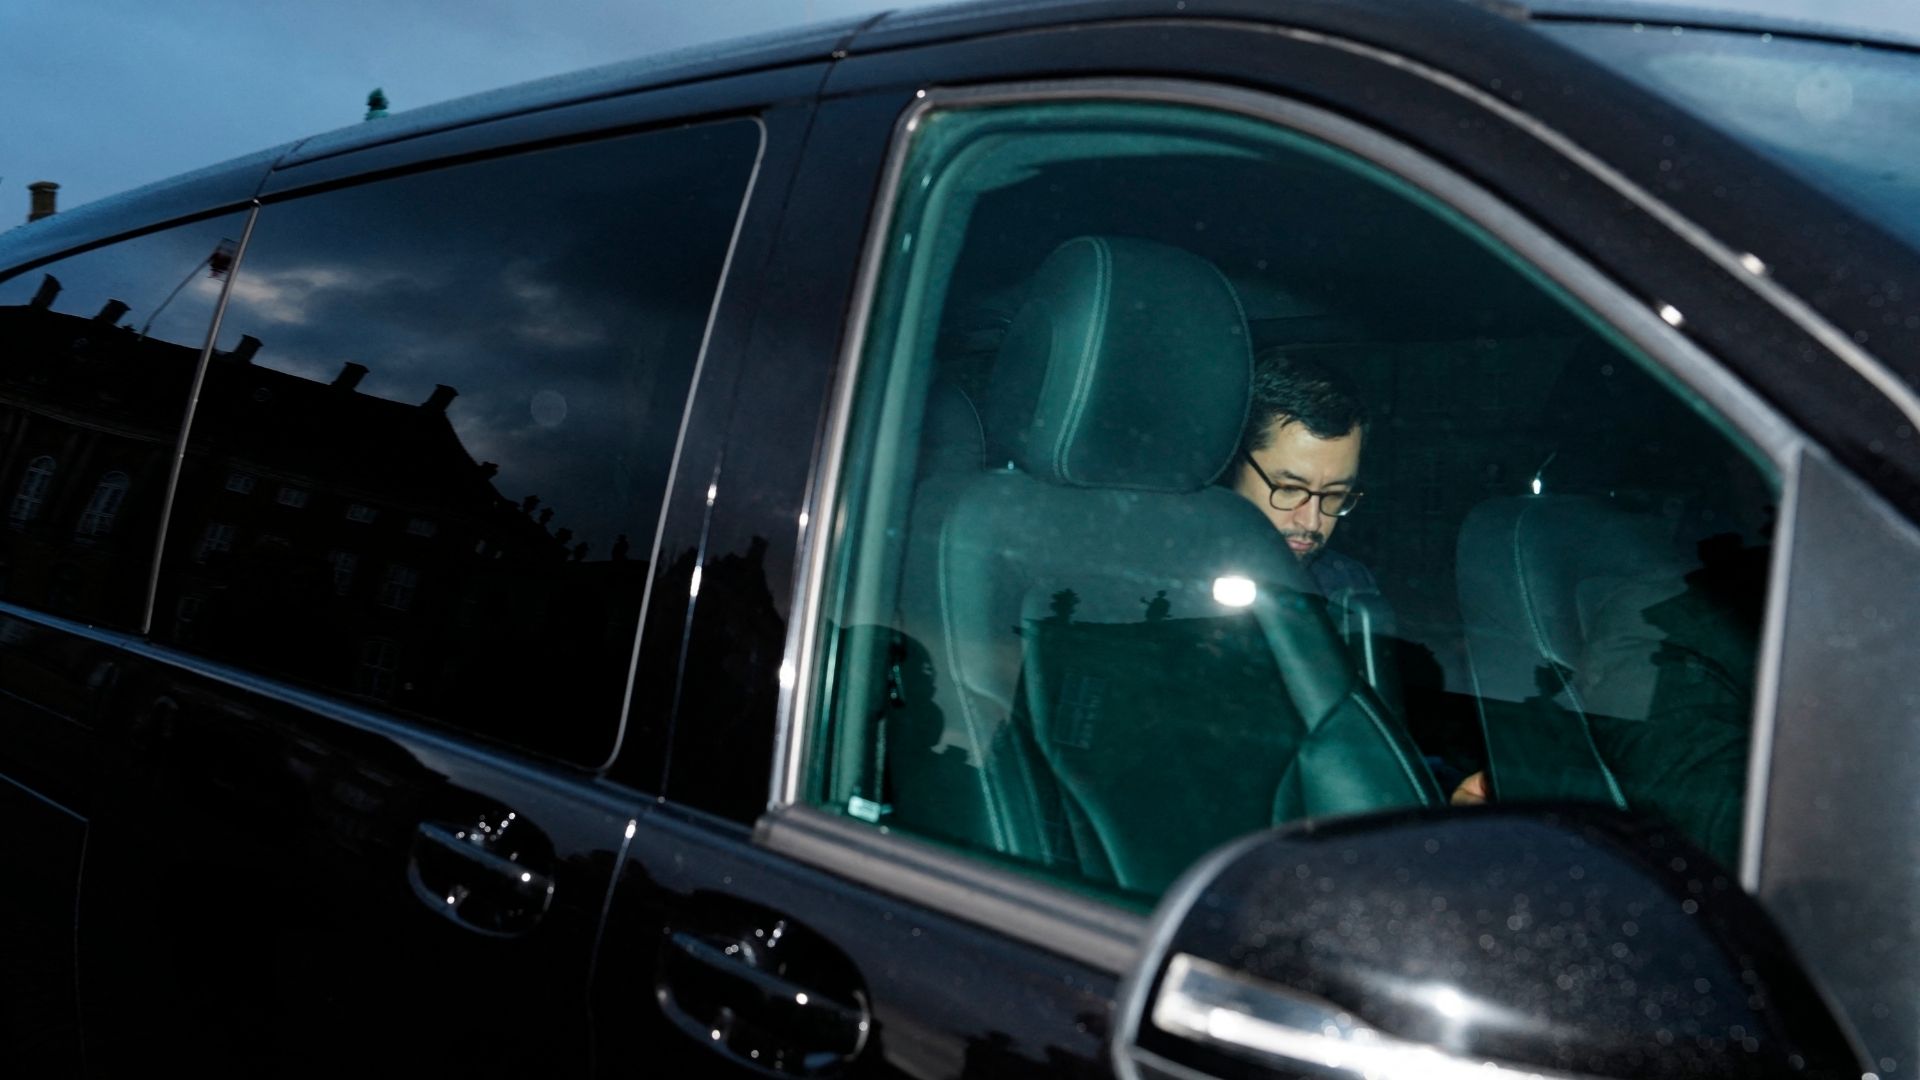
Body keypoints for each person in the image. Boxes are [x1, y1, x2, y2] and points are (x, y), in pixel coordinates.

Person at [1228, 348, 1379, 601]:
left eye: (1334, 494)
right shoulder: (1163, 580)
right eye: (1289, 489)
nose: (1311, 522)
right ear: (1233, 463)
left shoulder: (1348, 589)